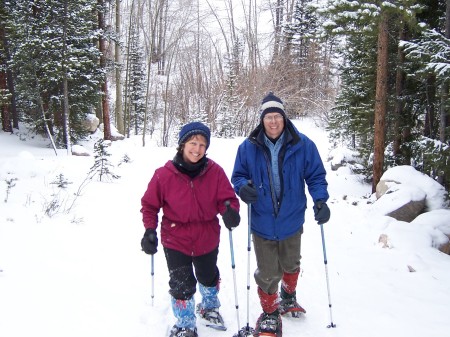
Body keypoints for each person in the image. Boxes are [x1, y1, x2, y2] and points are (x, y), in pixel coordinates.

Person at [231, 92, 330, 336]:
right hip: (262, 221)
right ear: (262, 120)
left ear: (284, 118)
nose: (273, 121)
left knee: (290, 263)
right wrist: (243, 188)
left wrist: (320, 200)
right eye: (268, 117)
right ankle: (270, 311)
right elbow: (238, 176)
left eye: (277, 116)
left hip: (292, 219)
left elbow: (316, 175)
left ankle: (288, 295)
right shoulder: (248, 147)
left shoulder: (303, 144)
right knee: (267, 273)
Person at [140, 122, 241, 337]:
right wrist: (149, 230)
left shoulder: (214, 172)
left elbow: (227, 198)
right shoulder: (164, 175)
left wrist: (230, 211)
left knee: (208, 276)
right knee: (181, 282)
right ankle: (185, 323)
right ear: (182, 144)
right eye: (193, 143)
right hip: (175, 238)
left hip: (207, 236)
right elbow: (149, 205)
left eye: (202, 145)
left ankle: (209, 306)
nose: (197, 149)